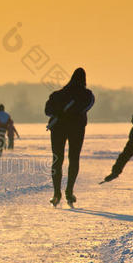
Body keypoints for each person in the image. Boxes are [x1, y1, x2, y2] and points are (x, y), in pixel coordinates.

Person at [44, 67, 95, 207]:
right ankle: (69, 192)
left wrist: (59, 113)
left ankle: (56, 193)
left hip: (57, 128)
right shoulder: (87, 94)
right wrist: (71, 113)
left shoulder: (57, 94)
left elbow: (47, 110)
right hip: (76, 129)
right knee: (74, 158)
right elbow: (86, 106)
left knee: (57, 159)